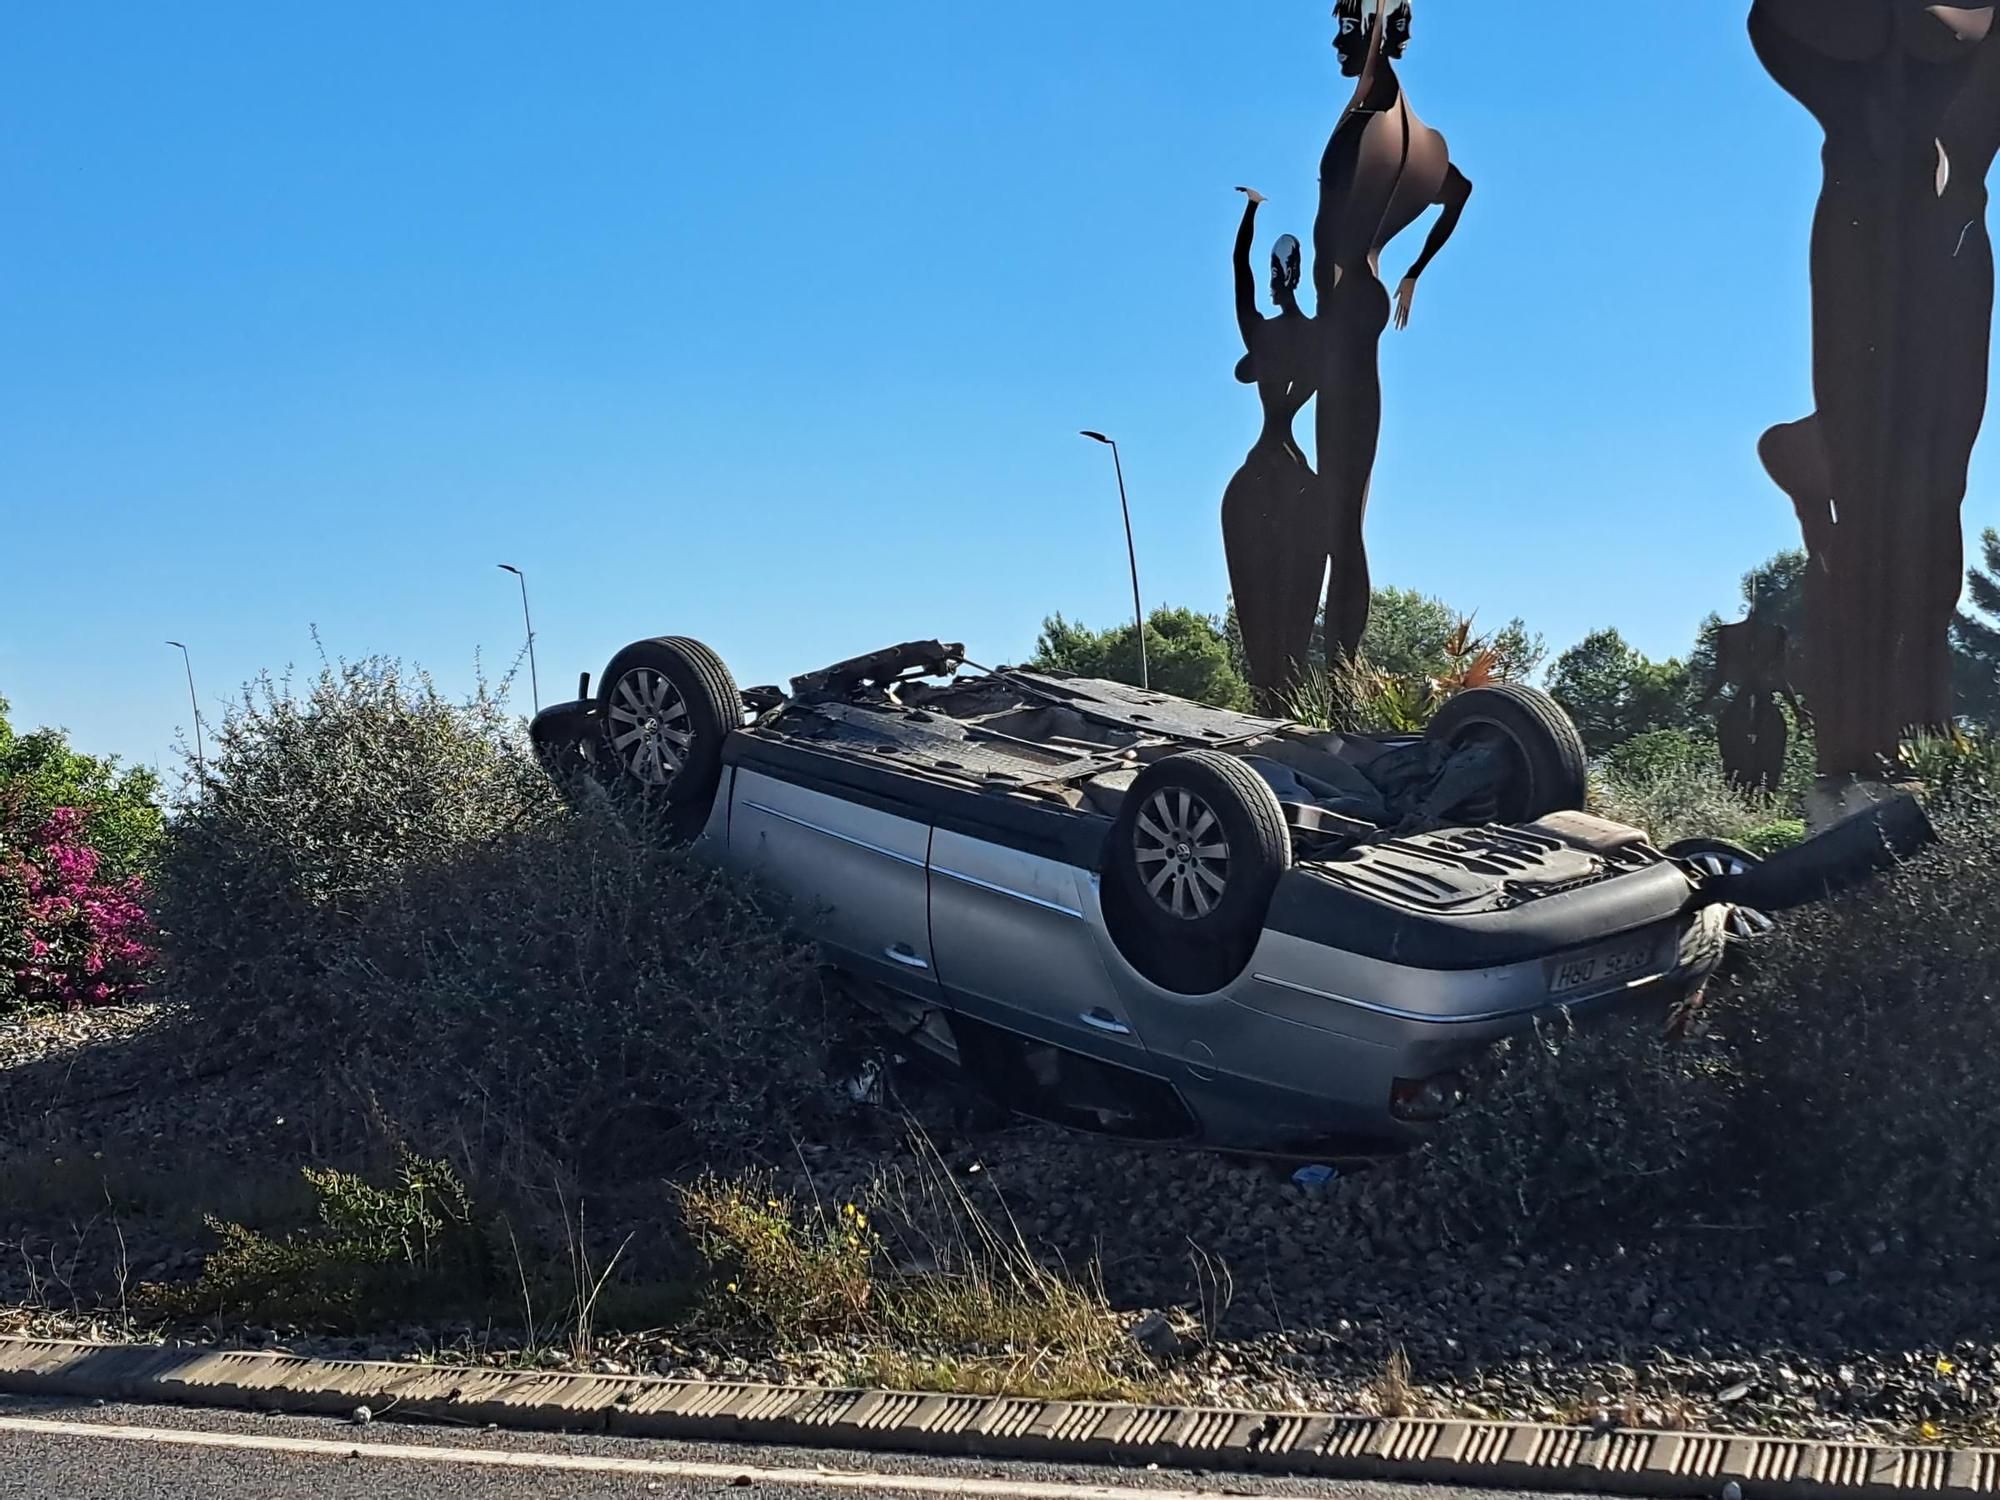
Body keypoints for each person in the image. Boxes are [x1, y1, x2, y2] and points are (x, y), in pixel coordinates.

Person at [1751, 0, 2000, 780]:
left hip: (1948, 260)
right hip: (1864, 246)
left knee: (1938, 488)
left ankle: (1917, 731)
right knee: (1871, 490)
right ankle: (1860, 755)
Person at [1313, 0, 1471, 659]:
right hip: (1358, 304)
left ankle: (1339, 675)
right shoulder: (1423, 144)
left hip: (1346, 312)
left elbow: (1374, 41)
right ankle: (1336, 672)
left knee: (1341, 514)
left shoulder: (1378, 117)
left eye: (1348, 28)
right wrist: (1413, 273)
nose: (1337, 41)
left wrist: (1376, 13)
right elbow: (1460, 191)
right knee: (1343, 511)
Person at [1222, 187, 1321, 709]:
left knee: (1260, 593)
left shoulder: (1259, 333)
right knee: (1296, 590)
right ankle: (1288, 687)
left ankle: (1271, 689)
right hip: (1299, 467)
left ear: (1274, 279)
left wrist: (1252, 209)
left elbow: (1237, 263)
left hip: (1263, 463)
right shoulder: (1318, 338)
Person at [1696, 616, 1809, 797]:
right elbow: (1780, 677)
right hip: (1759, 698)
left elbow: (1720, 676)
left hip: (1747, 698)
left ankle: (1743, 792)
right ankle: (1759, 793)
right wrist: (1797, 711)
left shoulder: (1729, 634)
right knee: (1769, 753)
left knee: (1737, 750)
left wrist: (1703, 702)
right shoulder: (1775, 633)